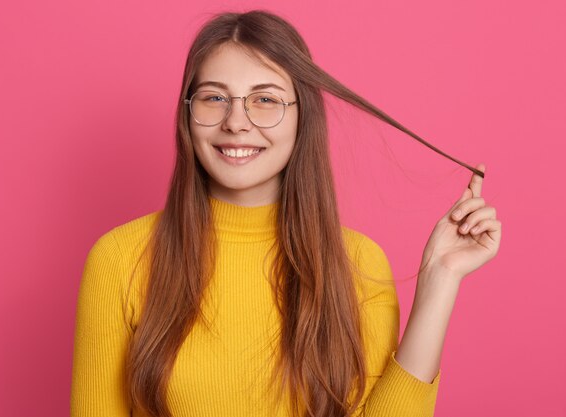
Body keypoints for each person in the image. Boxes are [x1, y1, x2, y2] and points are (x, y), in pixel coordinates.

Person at [70, 10, 501, 417]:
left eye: (265, 100)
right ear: (187, 114)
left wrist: (439, 280)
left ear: (302, 116)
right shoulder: (119, 259)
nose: (236, 122)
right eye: (214, 97)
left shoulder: (359, 264)